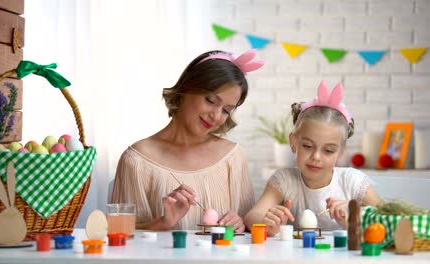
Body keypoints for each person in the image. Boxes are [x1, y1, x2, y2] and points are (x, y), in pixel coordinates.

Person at [111, 49, 265, 233]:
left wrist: (241, 223)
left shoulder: (233, 157)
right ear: (186, 88)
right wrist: (162, 223)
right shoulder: (136, 161)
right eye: (210, 100)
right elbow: (119, 238)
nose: (216, 116)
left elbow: (251, 234)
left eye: (226, 110)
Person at [244, 80, 382, 236]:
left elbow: (388, 217)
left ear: (341, 153)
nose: (316, 157)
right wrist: (264, 222)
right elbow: (252, 216)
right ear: (293, 142)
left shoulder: (353, 182)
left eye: (328, 151)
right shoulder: (283, 180)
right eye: (308, 146)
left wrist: (356, 216)